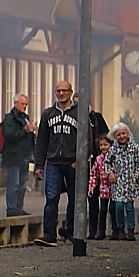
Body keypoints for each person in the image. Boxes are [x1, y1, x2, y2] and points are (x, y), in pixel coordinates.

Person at [32, 81, 80, 247]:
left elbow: (86, 140)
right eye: (58, 91)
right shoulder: (47, 114)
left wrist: (79, 160)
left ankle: (72, 231)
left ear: (70, 92)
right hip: (53, 162)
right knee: (51, 198)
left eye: (64, 90)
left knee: (74, 200)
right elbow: (42, 141)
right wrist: (39, 165)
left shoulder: (79, 114)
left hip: (73, 163)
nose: (61, 93)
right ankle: (49, 234)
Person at [105, 122, 139, 240]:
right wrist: (110, 173)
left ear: (127, 133)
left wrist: (136, 176)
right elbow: (106, 162)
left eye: (123, 133)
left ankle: (131, 229)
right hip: (118, 182)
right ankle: (120, 229)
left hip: (130, 182)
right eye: (118, 134)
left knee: (129, 207)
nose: (122, 136)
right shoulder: (113, 149)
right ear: (114, 136)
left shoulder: (134, 147)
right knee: (118, 207)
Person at [1, 94, 37, 217]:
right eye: (22, 104)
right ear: (15, 103)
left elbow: (26, 134)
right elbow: (9, 135)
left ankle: (19, 207)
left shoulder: (25, 118)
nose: (24, 107)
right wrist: (24, 130)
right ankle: (11, 208)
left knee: (23, 184)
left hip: (26, 155)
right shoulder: (9, 118)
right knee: (14, 184)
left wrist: (32, 132)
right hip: (14, 155)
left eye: (26, 104)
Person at [87, 135, 114, 240]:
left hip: (115, 189)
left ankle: (115, 230)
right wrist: (91, 187)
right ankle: (101, 231)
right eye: (101, 145)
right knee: (102, 210)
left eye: (105, 145)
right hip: (103, 190)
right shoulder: (98, 159)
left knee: (113, 209)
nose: (103, 147)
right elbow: (94, 174)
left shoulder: (115, 157)